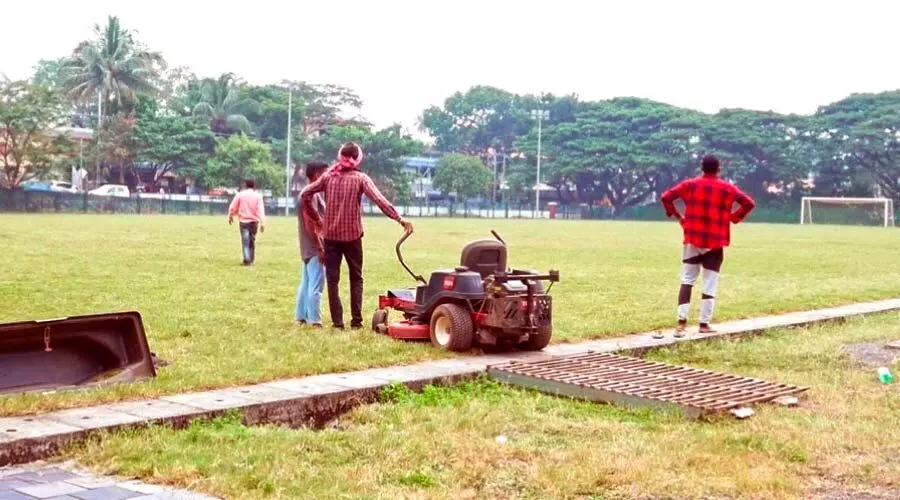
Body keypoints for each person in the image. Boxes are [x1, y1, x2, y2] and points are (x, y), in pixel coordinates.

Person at [301, 142, 414, 330]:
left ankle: (338, 323)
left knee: (333, 280)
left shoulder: (328, 177)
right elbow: (379, 200)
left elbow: (305, 194)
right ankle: (356, 322)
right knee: (356, 278)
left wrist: (317, 219)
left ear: (340, 156)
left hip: (330, 238)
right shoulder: (360, 178)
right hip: (352, 237)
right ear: (358, 158)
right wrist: (399, 219)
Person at [659, 155, 755, 337]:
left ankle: (681, 324)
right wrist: (732, 218)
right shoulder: (727, 188)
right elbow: (749, 203)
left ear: (701, 168)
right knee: (710, 282)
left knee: (687, 280)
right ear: (719, 168)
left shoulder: (690, 185)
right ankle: (704, 324)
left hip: (692, 237)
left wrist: (679, 218)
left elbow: (666, 197)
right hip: (716, 241)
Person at [295, 161, 328, 327]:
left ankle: (301, 316)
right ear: (316, 175)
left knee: (307, 281)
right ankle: (315, 320)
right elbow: (311, 224)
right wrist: (320, 247)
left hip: (306, 246)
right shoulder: (311, 195)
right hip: (314, 246)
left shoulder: (307, 194)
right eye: (324, 173)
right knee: (317, 284)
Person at [228, 178, 266, 266]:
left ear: (245, 185)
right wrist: (262, 222)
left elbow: (233, 206)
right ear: (254, 186)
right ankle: (251, 260)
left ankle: (247, 259)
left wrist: (231, 216)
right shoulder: (258, 196)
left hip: (244, 221)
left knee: (245, 241)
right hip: (254, 222)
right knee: (252, 241)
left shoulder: (240, 195)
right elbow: (260, 209)